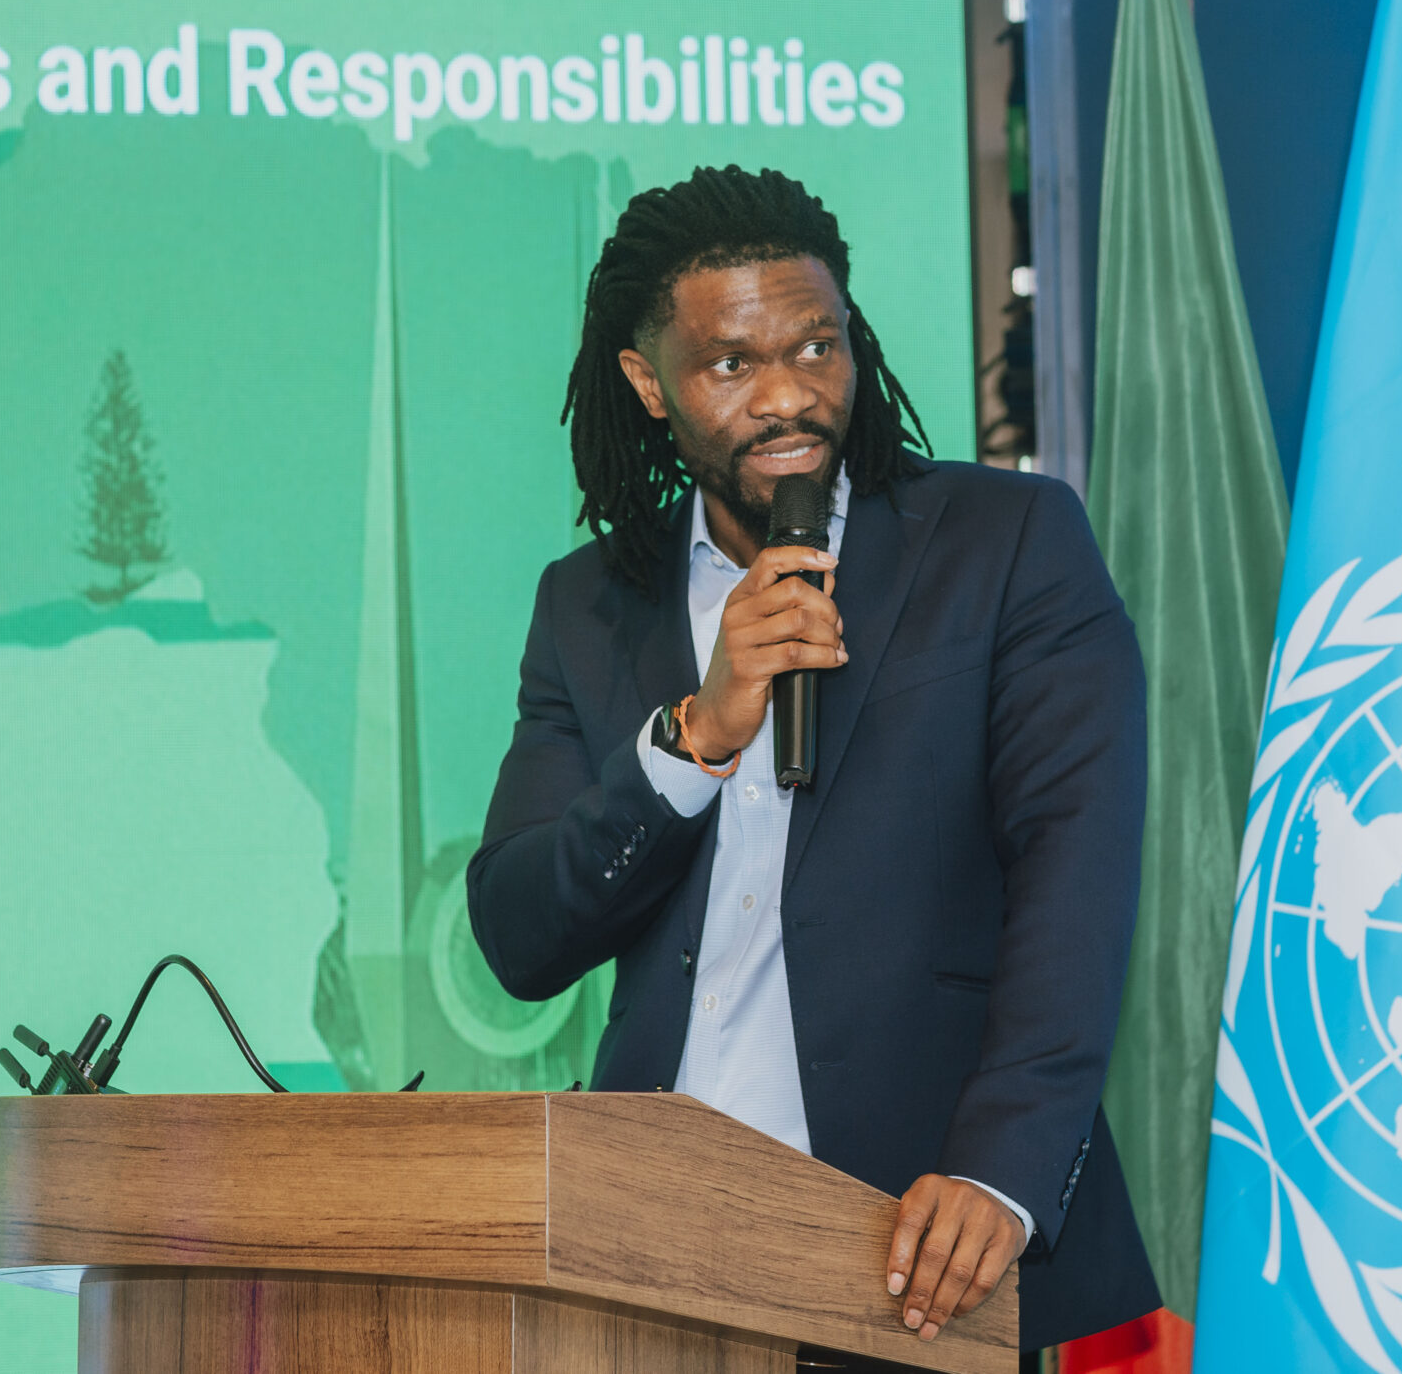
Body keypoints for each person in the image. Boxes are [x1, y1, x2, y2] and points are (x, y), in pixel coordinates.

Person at [470, 166, 1156, 1352]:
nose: (789, 396)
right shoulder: (587, 606)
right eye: (732, 364)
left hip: (910, 1243)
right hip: (645, 1248)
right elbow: (519, 935)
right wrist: (695, 739)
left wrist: (998, 1170)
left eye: (816, 348)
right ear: (649, 383)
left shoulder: (1008, 545)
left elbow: (1075, 876)